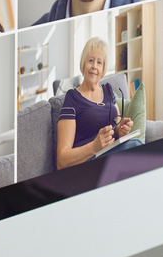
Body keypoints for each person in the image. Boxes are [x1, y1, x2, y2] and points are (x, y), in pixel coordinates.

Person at [55, 37, 142, 168]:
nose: (94, 66)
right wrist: (94, 147)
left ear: (103, 69)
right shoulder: (72, 98)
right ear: (83, 64)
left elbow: (116, 127)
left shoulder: (108, 91)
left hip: (111, 153)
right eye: (91, 60)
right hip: (88, 163)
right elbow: (61, 161)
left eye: (99, 62)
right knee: (136, 146)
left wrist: (121, 130)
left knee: (137, 146)